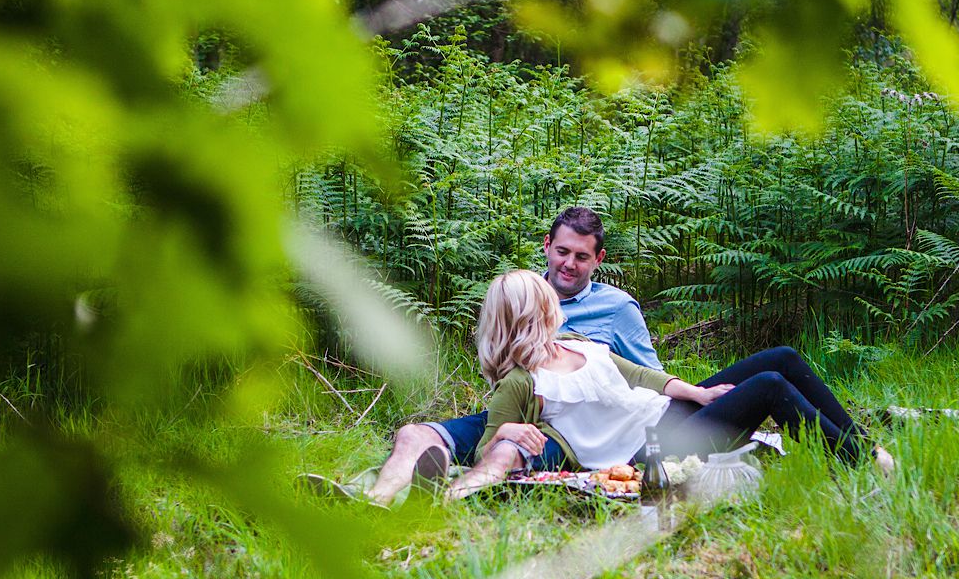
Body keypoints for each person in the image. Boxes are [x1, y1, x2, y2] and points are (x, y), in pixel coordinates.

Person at [444, 270, 889, 499]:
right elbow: (489, 450)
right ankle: (861, 466)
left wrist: (697, 392)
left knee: (783, 358)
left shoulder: (574, 342)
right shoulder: (520, 382)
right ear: (530, 315)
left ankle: (863, 445)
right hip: (652, 451)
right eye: (546, 303)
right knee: (770, 385)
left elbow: (637, 374)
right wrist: (505, 431)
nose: (555, 306)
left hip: (668, 414)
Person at [360, 206, 659, 505]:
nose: (569, 264)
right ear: (547, 246)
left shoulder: (617, 309)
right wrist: (506, 424)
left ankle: (439, 497)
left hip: (564, 436)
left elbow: (648, 383)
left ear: (599, 259)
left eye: (581, 257)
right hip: (511, 412)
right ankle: (372, 500)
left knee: (503, 453)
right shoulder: (518, 292)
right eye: (562, 251)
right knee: (413, 434)